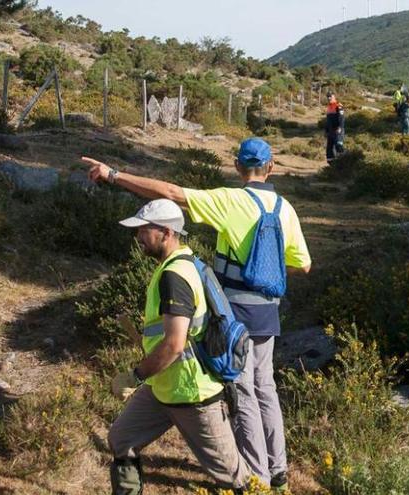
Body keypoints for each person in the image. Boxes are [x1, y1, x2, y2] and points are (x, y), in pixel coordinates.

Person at [83, 137, 311, 492]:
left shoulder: (232, 200)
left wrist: (114, 175)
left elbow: (172, 192)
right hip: (269, 313)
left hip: (234, 316)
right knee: (266, 388)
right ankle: (278, 471)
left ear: (237, 167)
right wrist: (264, 271)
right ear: (271, 168)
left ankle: (257, 480)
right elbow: (304, 265)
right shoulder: (285, 207)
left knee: (243, 394)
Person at [104, 199, 251, 494]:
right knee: (122, 438)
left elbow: (173, 344)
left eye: (144, 231)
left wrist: (134, 376)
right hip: (164, 387)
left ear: (167, 232)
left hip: (193, 395)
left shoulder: (175, 275)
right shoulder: (178, 265)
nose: (138, 237)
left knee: (235, 479)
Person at [324, 92, 345, 163]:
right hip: (330, 132)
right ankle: (331, 167)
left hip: (337, 131)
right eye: (328, 97)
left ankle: (344, 164)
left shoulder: (338, 105)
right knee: (329, 149)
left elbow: (341, 118)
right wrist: (326, 131)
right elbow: (328, 121)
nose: (329, 98)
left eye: (330, 96)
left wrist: (340, 127)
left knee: (339, 147)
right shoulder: (329, 107)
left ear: (334, 97)